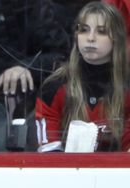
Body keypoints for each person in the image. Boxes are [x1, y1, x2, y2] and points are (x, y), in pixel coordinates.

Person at [35, 1, 130, 152]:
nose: (90, 38)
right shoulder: (53, 87)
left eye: (101, 31)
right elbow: (50, 157)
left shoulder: (127, 87)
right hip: (68, 173)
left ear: (116, 38)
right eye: (84, 30)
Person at [0, 0, 71, 151]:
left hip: (42, 95)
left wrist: (27, 68)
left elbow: (64, 57)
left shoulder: (45, 8)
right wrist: (9, 69)